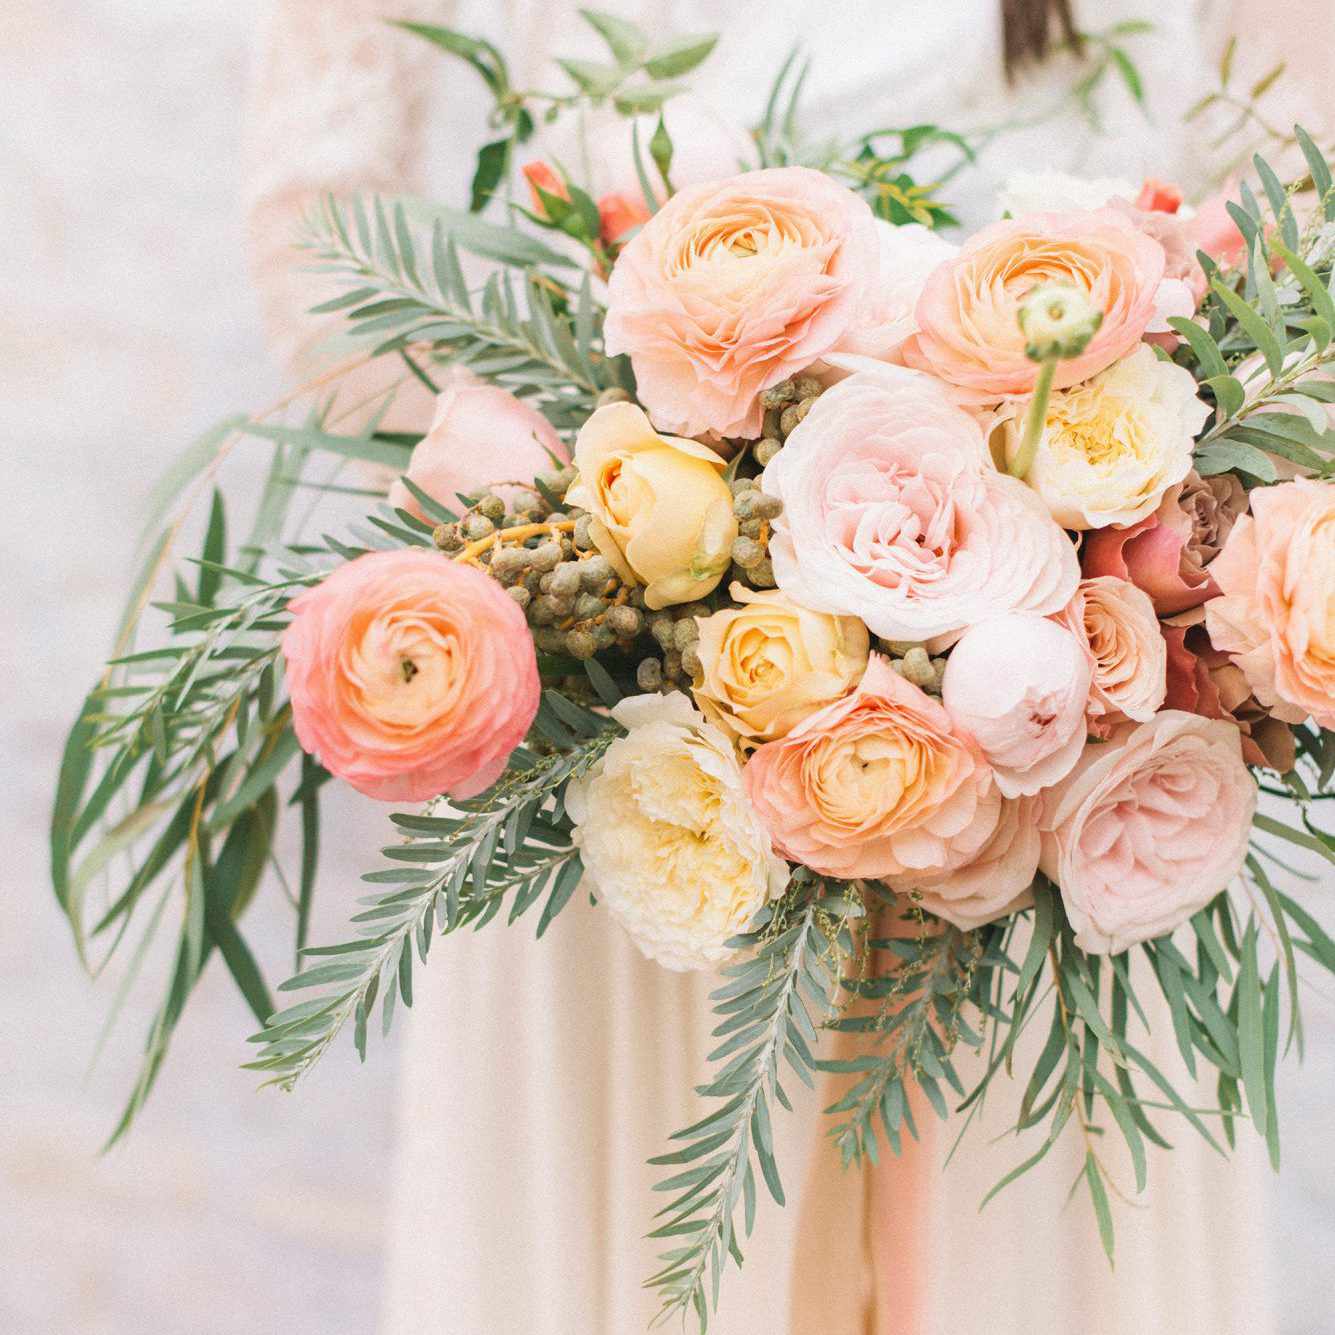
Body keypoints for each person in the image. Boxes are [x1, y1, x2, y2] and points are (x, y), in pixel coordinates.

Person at [243, 3, 1328, 1330]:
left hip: (1063, 783)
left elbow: (1307, 192)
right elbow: (320, 228)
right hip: (643, 792)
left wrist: (1064, 547)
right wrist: (610, 532)